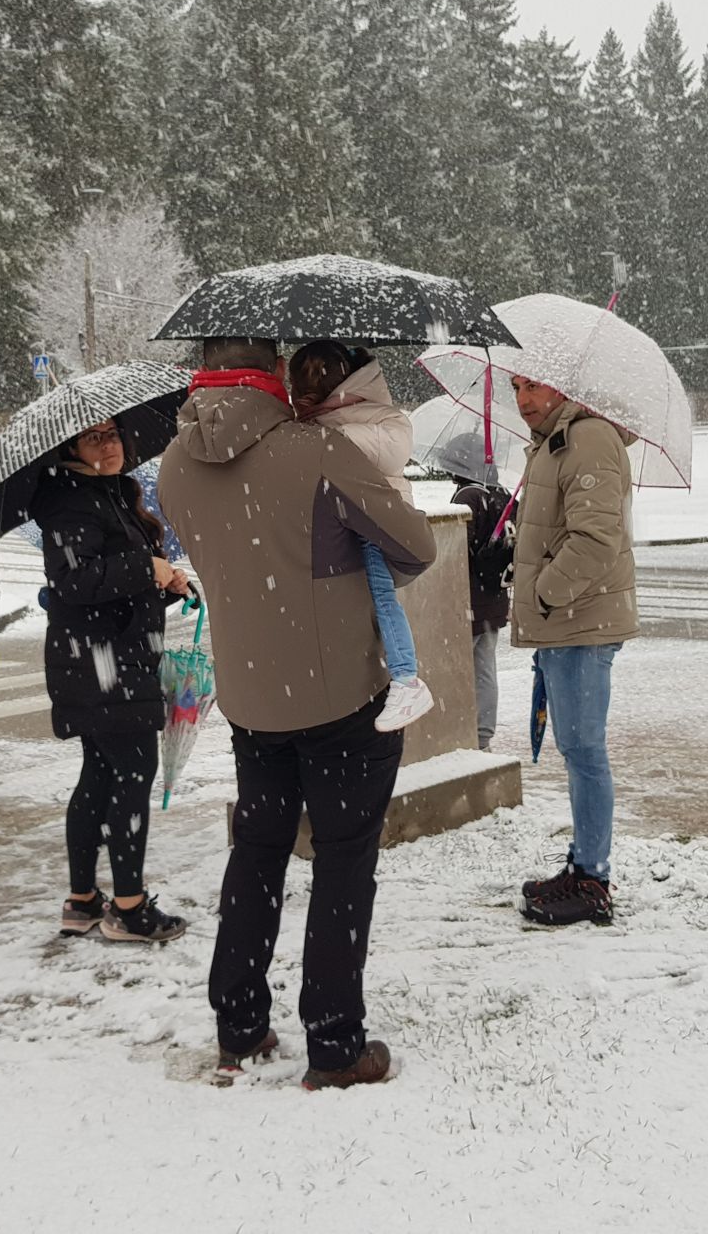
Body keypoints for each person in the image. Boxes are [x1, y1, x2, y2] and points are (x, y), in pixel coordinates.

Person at [158, 338, 437, 1090]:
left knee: (257, 856)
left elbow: (226, 551)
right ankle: (336, 1044)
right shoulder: (314, 449)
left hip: (249, 696)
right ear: (269, 372)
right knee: (345, 862)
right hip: (342, 692)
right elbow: (413, 550)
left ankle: (239, 1027)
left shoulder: (176, 464)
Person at [30, 419, 192, 944]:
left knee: (99, 776)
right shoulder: (69, 501)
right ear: (71, 447)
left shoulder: (108, 494)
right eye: (95, 437)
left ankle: (82, 902)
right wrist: (145, 567)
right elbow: (75, 582)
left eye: (115, 434)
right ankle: (128, 907)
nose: (110, 444)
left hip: (111, 658)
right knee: (132, 775)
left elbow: (114, 585)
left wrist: (164, 580)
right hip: (103, 665)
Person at [506, 374, 638, 926]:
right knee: (578, 751)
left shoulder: (587, 439)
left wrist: (542, 593)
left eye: (534, 386)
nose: (523, 400)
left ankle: (592, 882)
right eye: (515, 387)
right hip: (565, 623)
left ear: (565, 387)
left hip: (579, 622)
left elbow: (594, 540)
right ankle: (584, 866)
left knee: (585, 753)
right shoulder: (555, 442)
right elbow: (558, 529)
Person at [289, 341, 435, 733]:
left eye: (303, 396)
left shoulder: (373, 415)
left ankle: (406, 678)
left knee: (381, 596)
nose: (297, 403)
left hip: (373, 523)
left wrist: (324, 436)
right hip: (344, 520)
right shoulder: (322, 420)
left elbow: (388, 452)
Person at [448, 461, 514, 750]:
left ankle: (459, 732)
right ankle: (483, 737)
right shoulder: (505, 495)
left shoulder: (468, 497)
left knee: (457, 670)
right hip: (495, 598)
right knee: (485, 668)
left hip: (468, 600)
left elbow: (454, 549)